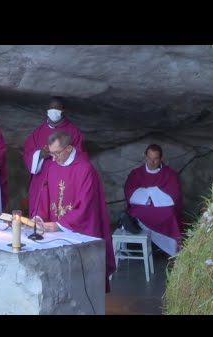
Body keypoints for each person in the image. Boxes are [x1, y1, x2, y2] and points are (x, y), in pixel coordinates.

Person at [36, 131, 116, 292]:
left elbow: (87, 206)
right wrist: (39, 217)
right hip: (54, 233)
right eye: (51, 153)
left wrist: (59, 225)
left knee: (80, 286)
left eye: (57, 153)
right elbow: (44, 194)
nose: (53, 158)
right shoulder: (53, 166)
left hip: (77, 231)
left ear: (69, 148)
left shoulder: (85, 169)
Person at [23, 96, 86, 218]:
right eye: (51, 108)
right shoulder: (39, 131)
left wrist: (59, 153)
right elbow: (28, 151)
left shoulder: (73, 132)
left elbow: (79, 155)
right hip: (41, 178)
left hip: (63, 178)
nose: (53, 111)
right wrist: (40, 154)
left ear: (63, 110)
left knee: (59, 212)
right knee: (39, 215)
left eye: (57, 108)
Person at [124, 144, 183, 256]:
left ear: (161, 159)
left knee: (170, 214)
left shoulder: (170, 174)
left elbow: (175, 196)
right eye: (149, 158)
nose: (152, 162)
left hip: (162, 211)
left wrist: (152, 193)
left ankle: (165, 249)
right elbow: (129, 192)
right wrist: (150, 195)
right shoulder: (136, 174)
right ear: (145, 156)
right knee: (135, 212)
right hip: (142, 210)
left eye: (155, 159)